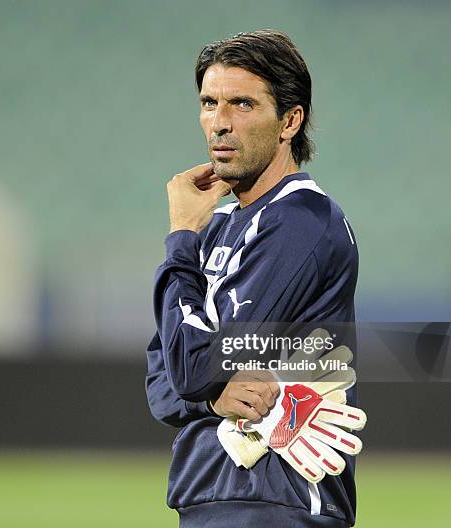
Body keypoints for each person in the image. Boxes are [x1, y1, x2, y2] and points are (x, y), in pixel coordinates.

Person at [145, 30, 359, 527]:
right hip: (207, 491)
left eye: (242, 104)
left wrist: (180, 238)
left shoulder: (303, 221)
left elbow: (191, 368)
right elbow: (162, 376)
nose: (220, 123)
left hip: (276, 497)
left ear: (290, 121)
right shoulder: (215, 226)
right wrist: (212, 392)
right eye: (209, 102)